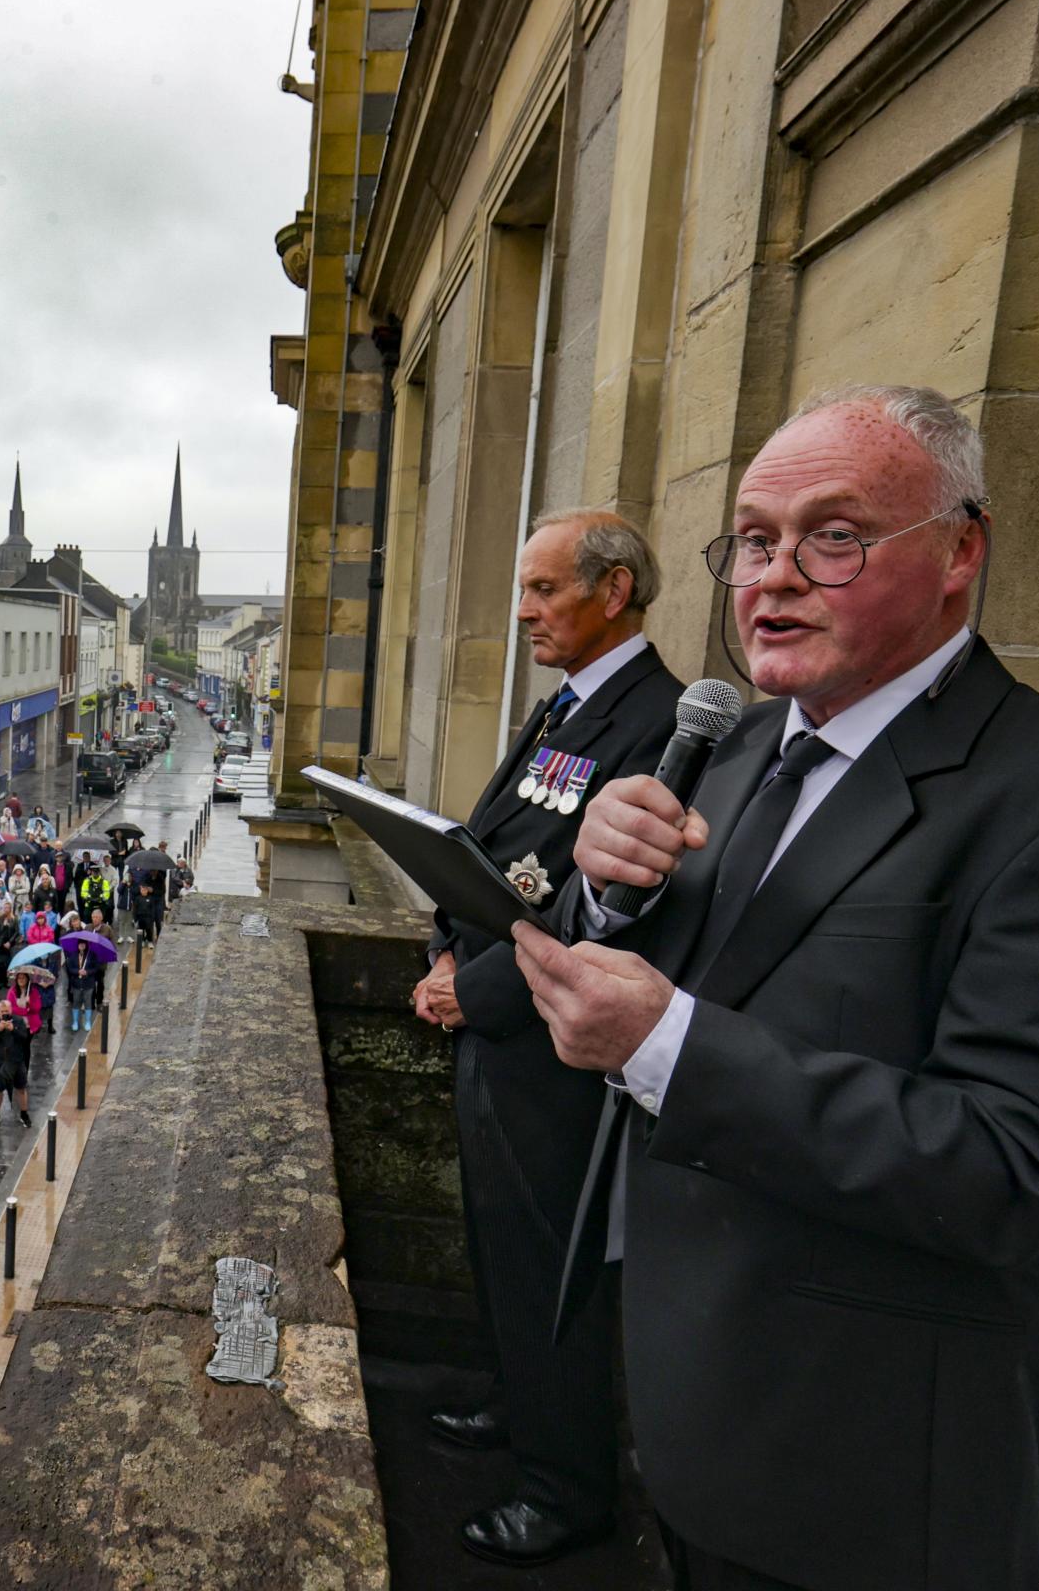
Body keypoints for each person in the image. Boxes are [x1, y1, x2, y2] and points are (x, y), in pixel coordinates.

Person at [517, 385, 1039, 1591]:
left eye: (834, 536)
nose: (774, 577)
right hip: (682, 1408)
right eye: (753, 540)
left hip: (862, 1486)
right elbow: (703, 978)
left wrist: (668, 1046)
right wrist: (612, 897)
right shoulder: (741, 744)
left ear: (961, 551)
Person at [397, 508, 683, 1568]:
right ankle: (515, 1407)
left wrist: (479, 991)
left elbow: (606, 903)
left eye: (544, 591)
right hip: (489, 1015)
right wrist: (442, 952)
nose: (522, 612)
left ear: (614, 592)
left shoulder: (658, 722)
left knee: (549, 1264)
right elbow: (488, 844)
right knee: (497, 1245)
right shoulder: (564, 709)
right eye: (521, 590)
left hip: (552, 1046)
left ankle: (566, 1488)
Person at [0, 1002, 32, 1130]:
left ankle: (24, 1114)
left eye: (6, 1011)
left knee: (21, 1089)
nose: (4, 1013)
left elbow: (24, 1038)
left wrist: (13, 1030)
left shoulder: (18, 1021)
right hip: (0, 1064)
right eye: (2, 1011)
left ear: (11, 1010)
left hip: (17, 1062)